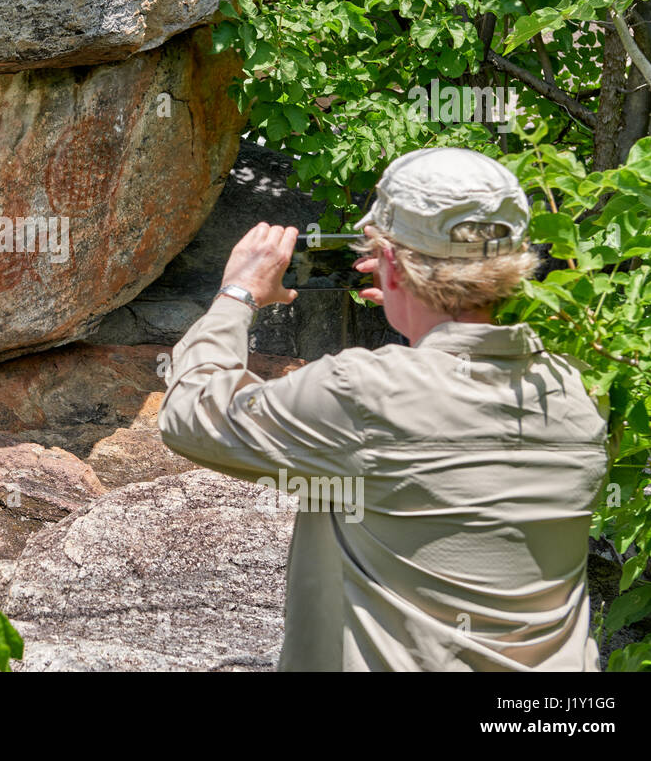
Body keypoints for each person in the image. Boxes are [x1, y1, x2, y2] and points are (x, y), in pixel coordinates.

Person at [159, 147, 610, 671]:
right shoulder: (577, 389)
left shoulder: (362, 392)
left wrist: (238, 293)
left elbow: (190, 415)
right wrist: (421, 322)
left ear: (391, 262)